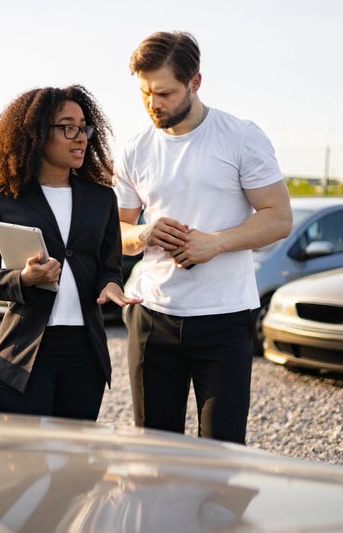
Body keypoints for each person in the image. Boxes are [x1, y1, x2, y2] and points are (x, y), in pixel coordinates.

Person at [115, 31, 292, 444]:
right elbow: (116, 233)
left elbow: (279, 218)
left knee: (222, 452)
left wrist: (214, 243)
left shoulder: (241, 136)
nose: (153, 104)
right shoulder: (133, 148)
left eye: (164, 92)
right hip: (151, 315)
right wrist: (143, 232)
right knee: (155, 452)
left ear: (195, 82)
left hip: (225, 317)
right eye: (144, 93)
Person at [0, 85, 141, 421]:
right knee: (25, 466)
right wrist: (23, 278)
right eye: (68, 127)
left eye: (84, 127)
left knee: (74, 466)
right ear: (36, 134)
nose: (80, 138)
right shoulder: (4, 197)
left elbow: (109, 266)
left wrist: (110, 285)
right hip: (26, 353)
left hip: (85, 355)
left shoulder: (102, 199)